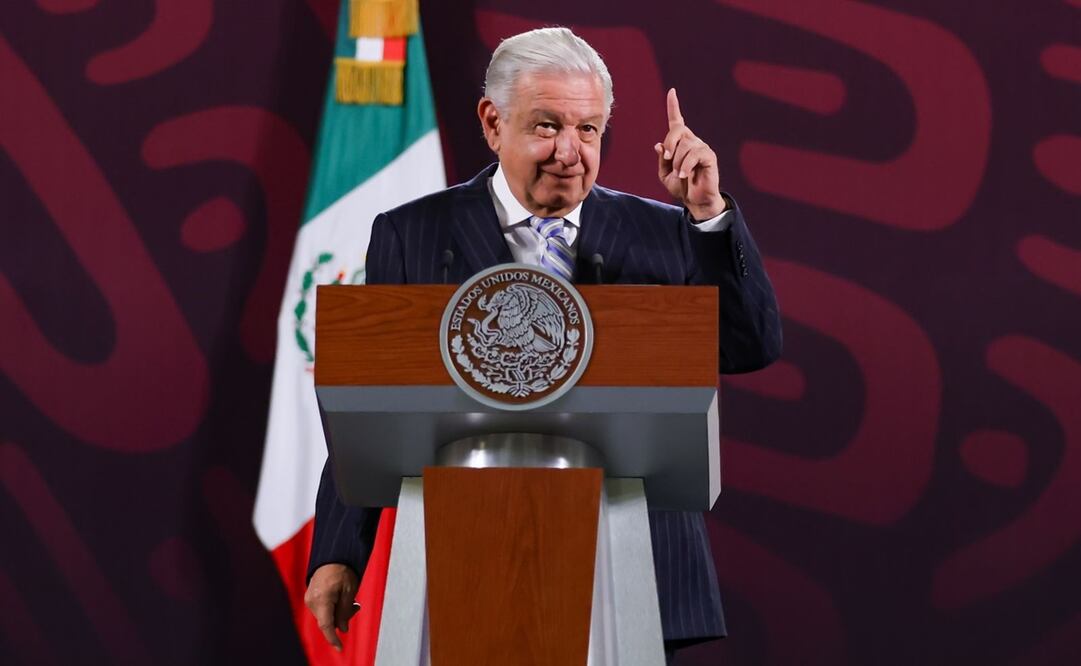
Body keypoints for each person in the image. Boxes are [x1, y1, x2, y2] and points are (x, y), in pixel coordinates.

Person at [304, 26, 782, 662]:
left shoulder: (666, 232)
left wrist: (708, 215)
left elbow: (750, 345)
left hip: (629, 561)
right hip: (466, 553)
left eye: (588, 130)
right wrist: (338, 553)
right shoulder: (412, 234)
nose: (569, 152)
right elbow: (370, 403)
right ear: (492, 122)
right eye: (547, 126)